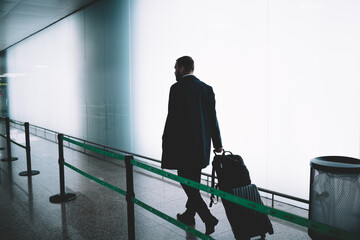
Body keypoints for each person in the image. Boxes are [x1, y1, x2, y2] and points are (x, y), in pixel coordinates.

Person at [161, 56, 223, 235]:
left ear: (181, 68)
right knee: (193, 182)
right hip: (201, 147)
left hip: (183, 148)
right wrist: (217, 143)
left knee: (185, 181)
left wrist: (166, 141)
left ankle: (208, 217)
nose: (174, 71)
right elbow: (213, 118)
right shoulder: (206, 89)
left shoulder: (177, 88)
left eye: (175, 68)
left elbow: (172, 119)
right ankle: (189, 214)